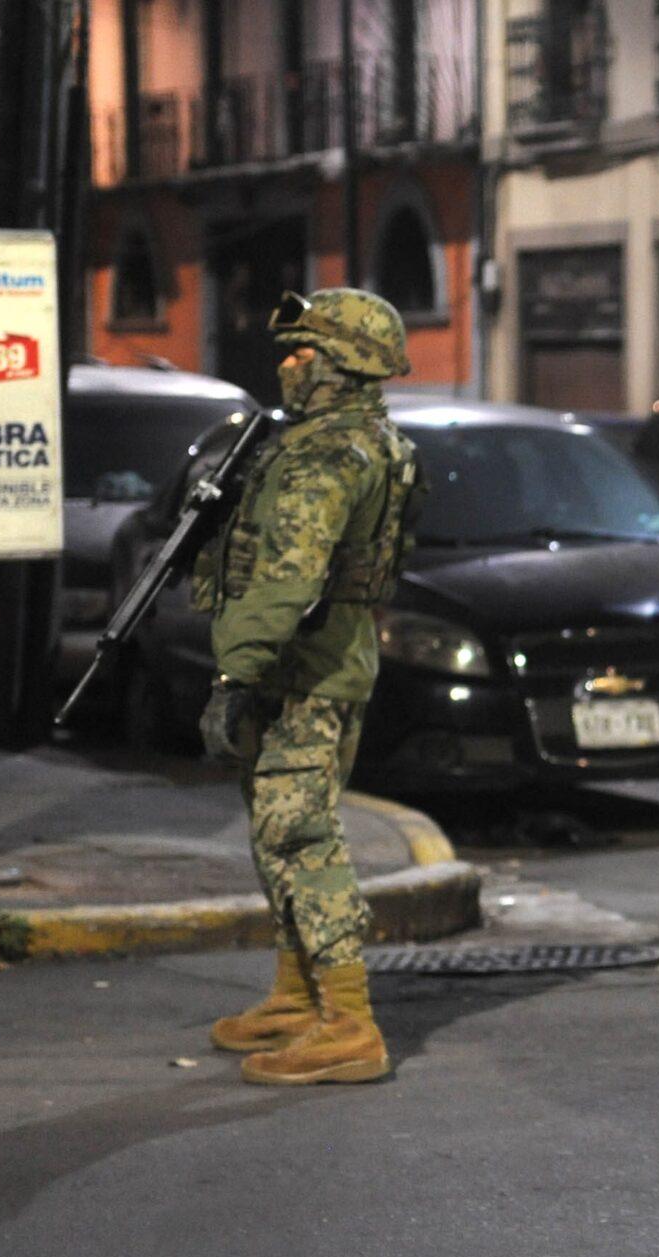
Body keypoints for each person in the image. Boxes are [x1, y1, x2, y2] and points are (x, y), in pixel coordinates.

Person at [195, 287, 421, 1087]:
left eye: (304, 353)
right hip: (318, 665)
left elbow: (287, 582)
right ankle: (298, 997)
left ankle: (349, 1022)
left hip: (308, 673)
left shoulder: (329, 456)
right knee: (275, 834)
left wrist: (233, 672)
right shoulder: (362, 441)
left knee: (300, 837)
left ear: (344, 366)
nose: (289, 367)